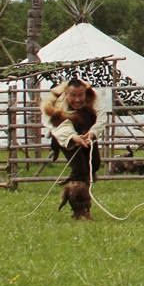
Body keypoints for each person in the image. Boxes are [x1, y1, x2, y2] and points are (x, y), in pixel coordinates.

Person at [42, 78, 105, 220]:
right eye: (73, 96)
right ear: (66, 93)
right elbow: (56, 127)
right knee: (80, 170)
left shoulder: (94, 98)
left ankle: (81, 193)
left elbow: (101, 118)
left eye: (80, 95)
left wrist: (92, 133)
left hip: (88, 132)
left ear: (85, 93)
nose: (77, 100)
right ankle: (79, 209)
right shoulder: (55, 105)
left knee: (94, 164)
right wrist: (73, 137)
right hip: (65, 137)